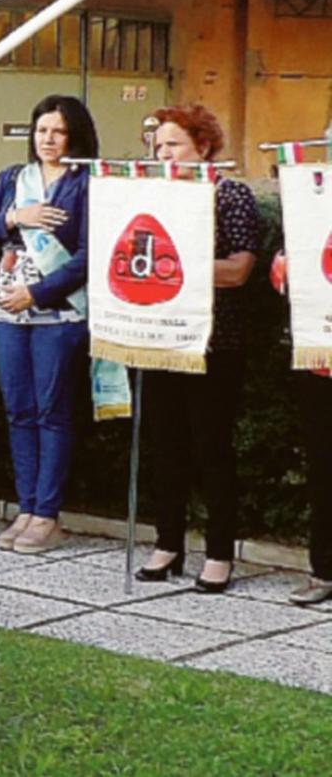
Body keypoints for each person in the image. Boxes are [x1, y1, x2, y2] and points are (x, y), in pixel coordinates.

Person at [0, 95, 97, 554]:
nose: (48, 140)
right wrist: (14, 217)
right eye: (41, 130)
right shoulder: (13, 180)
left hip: (59, 314)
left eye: (57, 131)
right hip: (8, 313)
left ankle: (47, 513)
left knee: (51, 412)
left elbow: (88, 255)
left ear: (74, 135)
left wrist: (37, 294)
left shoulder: (87, 184)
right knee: (18, 411)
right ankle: (26, 507)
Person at [136, 104, 260, 593]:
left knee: (212, 448)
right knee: (165, 446)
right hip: (160, 336)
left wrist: (177, 265)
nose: (164, 154)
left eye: (175, 145)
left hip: (215, 341)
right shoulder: (152, 197)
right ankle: (167, 541)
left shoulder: (230, 195)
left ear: (203, 148)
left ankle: (219, 551)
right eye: (159, 145)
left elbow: (239, 269)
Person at [268, 251, 332, 605]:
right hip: (319, 364)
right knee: (323, 471)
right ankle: (323, 570)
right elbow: (280, 278)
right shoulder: (312, 215)